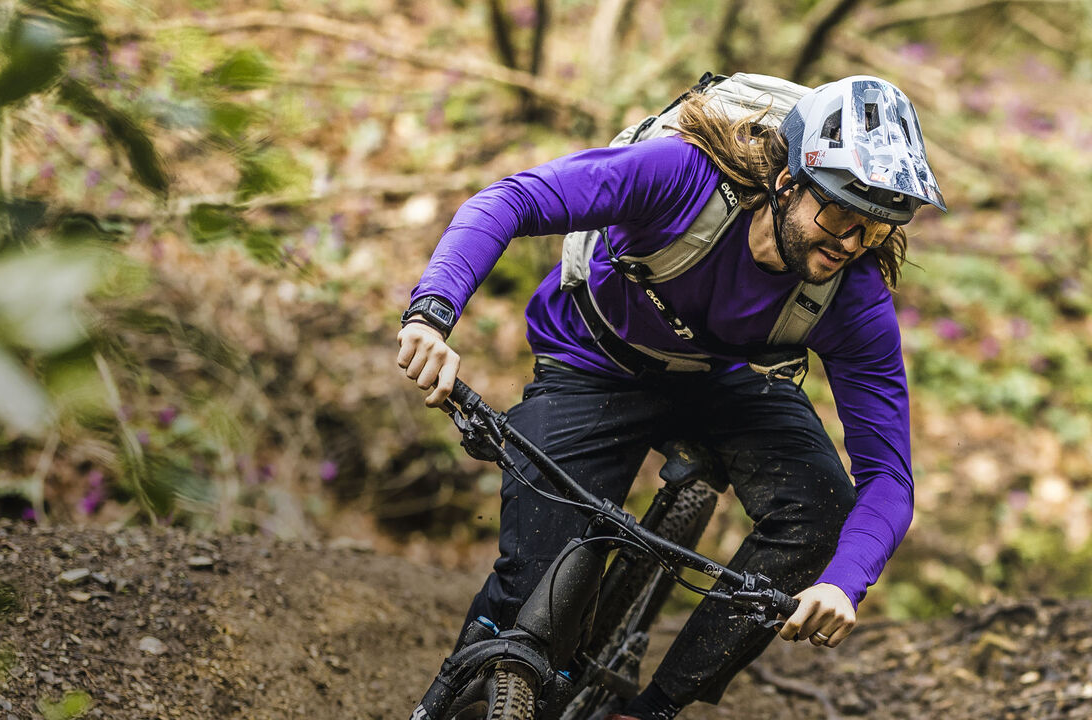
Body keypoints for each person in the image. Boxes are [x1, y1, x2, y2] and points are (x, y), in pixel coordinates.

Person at [395, 75, 945, 720]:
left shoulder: (854, 298)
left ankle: (652, 709)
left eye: (873, 228)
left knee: (818, 506)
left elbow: (888, 477)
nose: (849, 244)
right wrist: (432, 315)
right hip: (593, 361)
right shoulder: (680, 177)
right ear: (788, 183)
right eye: (838, 214)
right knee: (535, 594)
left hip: (723, 380)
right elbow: (510, 200)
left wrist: (842, 582)